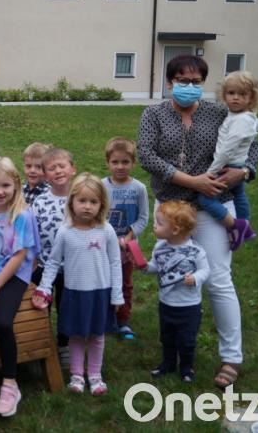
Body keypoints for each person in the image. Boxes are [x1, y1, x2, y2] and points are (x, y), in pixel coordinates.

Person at [137, 54, 258, 389]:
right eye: (182, 80)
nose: (189, 86)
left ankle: (231, 357)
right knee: (172, 272)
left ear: (203, 84)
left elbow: (252, 149)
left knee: (218, 278)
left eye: (195, 81)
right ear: (169, 82)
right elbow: (146, 155)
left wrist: (245, 172)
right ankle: (174, 348)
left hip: (214, 207)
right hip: (172, 208)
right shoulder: (154, 113)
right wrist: (192, 181)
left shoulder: (220, 113)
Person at [32, 173, 123, 395]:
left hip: (100, 293)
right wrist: (44, 287)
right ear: (71, 202)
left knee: (97, 335)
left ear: (101, 204)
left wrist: (117, 295)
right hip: (74, 293)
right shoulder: (65, 231)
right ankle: (76, 375)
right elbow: (53, 262)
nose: (87, 207)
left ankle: (95, 375)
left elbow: (115, 262)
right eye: (82, 201)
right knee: (75, 335)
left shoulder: (106, 230)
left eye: (93, 202)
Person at [0, 156, 41, 417]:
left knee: (3, 322)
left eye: (5, 186)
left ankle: (10, 384)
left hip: (14, 276)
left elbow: (18, 257)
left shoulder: (23, 215)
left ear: (16, 184)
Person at [143, 201, 210, 383]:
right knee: (167, 338)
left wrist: (195, 278)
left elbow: (205, 270)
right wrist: (143, 266)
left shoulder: (196, 250)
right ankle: (168, 364)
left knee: (187, 341)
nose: (154, 226)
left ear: (175, 230)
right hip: (166, 303)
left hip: (189, 306)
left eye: (159, 223)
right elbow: (155, 267)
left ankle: (187, 368)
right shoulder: (160, 247)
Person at [196, 70, 258, 251]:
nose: (235, 98)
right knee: (239, 195)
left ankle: (235, 225)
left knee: (205, 198)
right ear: (224, 95)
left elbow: (226, 150)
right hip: (237, 164)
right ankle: (246, 227)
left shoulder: (242, 120)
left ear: (251, 98)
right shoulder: (237, 115)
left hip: (229, 166)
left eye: (242, 94)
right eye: (231, 93)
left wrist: (210, 172)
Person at [29, 148, 77, 368]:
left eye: (62, 166)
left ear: (72, 169)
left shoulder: (80, 198)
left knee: (66, 306)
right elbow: (33, 232)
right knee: (42, 307)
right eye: (52, 168)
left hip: (73, 267)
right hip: (45, 265)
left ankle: (64, 344)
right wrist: (34, 258)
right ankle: (43, 342)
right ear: (46, 175)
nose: (58, 171)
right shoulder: (39, 202)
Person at [102, 137, 149, 341]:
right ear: (108, 163)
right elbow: (96, 216)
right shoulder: (101, 186)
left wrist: (129, 235)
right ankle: (105, 319)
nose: (120, 167)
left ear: (133, 163)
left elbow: (143, 218)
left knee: (124, 284)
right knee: (104, 283)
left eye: (125, 162)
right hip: (103, 248)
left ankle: (123, 321)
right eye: (115, 162)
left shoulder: (139, 188)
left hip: (127, 249)